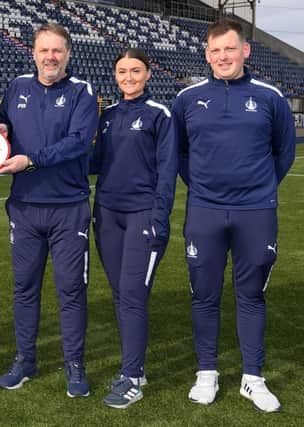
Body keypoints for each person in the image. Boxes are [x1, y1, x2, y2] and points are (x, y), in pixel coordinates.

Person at [172, 19, 295, 412]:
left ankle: (252, 377)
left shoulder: (270, 96)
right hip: (205, 211)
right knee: (204, 296)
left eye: (229, 49)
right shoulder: (188, 99)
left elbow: (284, 152)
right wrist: (206, 188)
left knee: (251, 295)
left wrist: (257, 188)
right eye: (215, 51)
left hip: (256, 213)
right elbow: (180, 154)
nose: (222, 57)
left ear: (245, 51)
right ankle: (207, 372)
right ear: (206, 55)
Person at [0, 23, 98, 398]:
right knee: (24, 287)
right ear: (33, 53)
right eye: (43, 50)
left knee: (71, 289)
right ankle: (25, 359)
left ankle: (74, 362)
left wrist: (30, 161)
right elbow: (1, 120)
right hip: (24, 208)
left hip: (68, 208)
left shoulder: (82, 92)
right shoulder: (18, 86)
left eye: (57, 51)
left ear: (68, 54)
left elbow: (77, 143)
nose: (50, 57)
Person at [90, 48, 177, 408]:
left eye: (135, 71)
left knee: (132, 294)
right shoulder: (107, 115)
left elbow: (168, 172)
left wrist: (159, 219)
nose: (128, 77)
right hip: (107, 213)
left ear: (148, 74)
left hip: (143, 216)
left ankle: (133, 377)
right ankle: (133, 370)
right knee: (121, 294)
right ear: (116, 75)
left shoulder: (161, 115)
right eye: (122, 71)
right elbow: (93, 163)